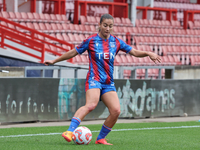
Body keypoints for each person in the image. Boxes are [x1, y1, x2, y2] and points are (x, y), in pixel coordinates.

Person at [44, 14, 161, 145]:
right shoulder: (91, 40)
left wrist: (148, 53)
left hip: (108, 83)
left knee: (116, 111)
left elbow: (133, 52)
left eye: (110, 26)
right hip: (94, 79)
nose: (107, 28)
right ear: (99, 25)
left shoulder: (116, 42)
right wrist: (54, 60)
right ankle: (70, 131)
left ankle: (100, 138)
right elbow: (73, 52)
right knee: (91, 105)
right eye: (105, 25)